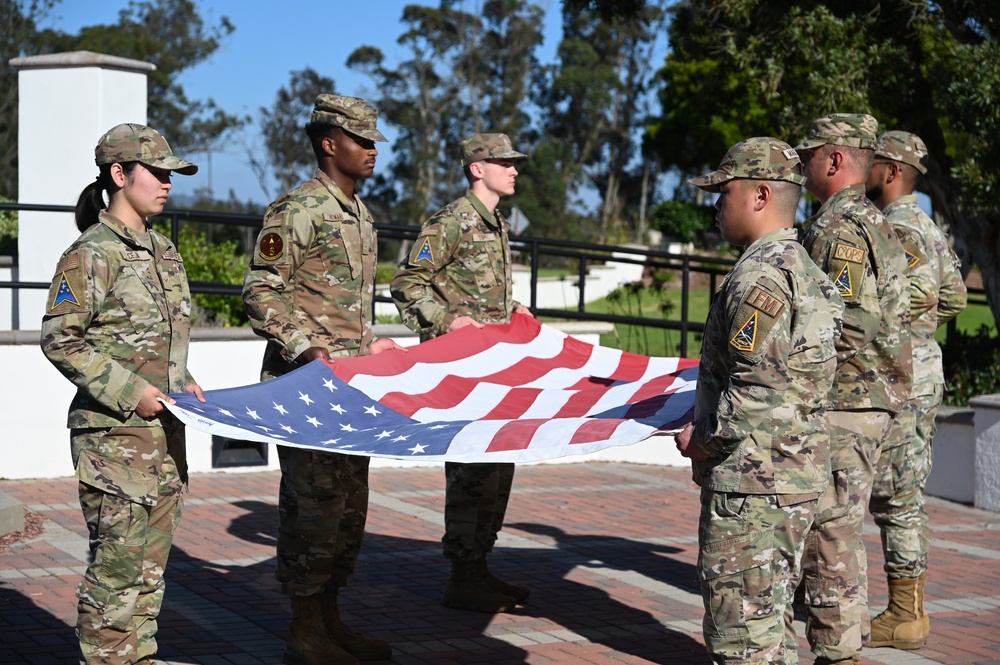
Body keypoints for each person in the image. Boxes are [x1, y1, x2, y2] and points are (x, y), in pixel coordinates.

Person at [243, 95, 402, 665]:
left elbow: (345, 309)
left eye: (375, 140)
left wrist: (370, 346)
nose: (373, 150)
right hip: (306, 390)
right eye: (362, 140)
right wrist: (306, 349)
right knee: (312, 510)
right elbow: (261, 292)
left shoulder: (359, 215)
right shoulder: (297, 210)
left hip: (350, 392)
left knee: (348, 511)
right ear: (330, 142)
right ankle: (304, 631)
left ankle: (331, 619)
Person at [40, 123, 205, 665]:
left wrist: (184, 382)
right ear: (119, 174)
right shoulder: (92, 252)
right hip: (113, 441)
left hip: (164, 439)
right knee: (116, 569)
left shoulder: (162, 250)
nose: (167, 184)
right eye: (157, 174)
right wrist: (133, 392)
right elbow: (60, 339)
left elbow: (162, 340)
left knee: (150, 570)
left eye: (170, 175)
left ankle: (139, 656)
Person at [676, 137, 844, 664]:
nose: (717, 205)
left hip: (755, 487)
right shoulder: (801, 267)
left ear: (760, 195)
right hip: (789, 479)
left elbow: (754, 387)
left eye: (724, 192)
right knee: (769, 633)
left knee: (743, 640)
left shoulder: (760, 276)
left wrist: (700, 439)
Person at [390, 133, 533, 614]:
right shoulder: (451, 222)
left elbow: (481, 294)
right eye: (504, 162)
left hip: (497, 368)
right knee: (472, 469)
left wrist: (512, 309)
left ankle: (478, 567)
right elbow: (408, 282)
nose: (514, 170)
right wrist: (447, 321)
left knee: (498, 467)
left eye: (515, 163)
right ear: (477, 168)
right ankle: (462, 573)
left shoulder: (497, 224)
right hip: (464, 370)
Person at [794, 113, 913, 665]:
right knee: (840, 529)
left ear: (834, 160)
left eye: (809, 153)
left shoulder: (838, 228)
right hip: (871, 401)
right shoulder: (875, 222)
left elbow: (842, 322)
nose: (801, 162)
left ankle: (839, 655)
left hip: (846, 402)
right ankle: (844, 645)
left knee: (829, 535)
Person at [864, 130, 967, 650]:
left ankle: (906, 616)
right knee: (902, 494)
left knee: (895, 497)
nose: (865, 171)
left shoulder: (896, 229)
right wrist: (924, 334)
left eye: (873, 162)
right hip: (920, 372)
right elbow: (955, 296)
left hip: (899, 378)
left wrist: (903, 333)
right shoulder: (925, 225)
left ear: (891, 171)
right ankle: (908, 610)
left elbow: (919, 294)